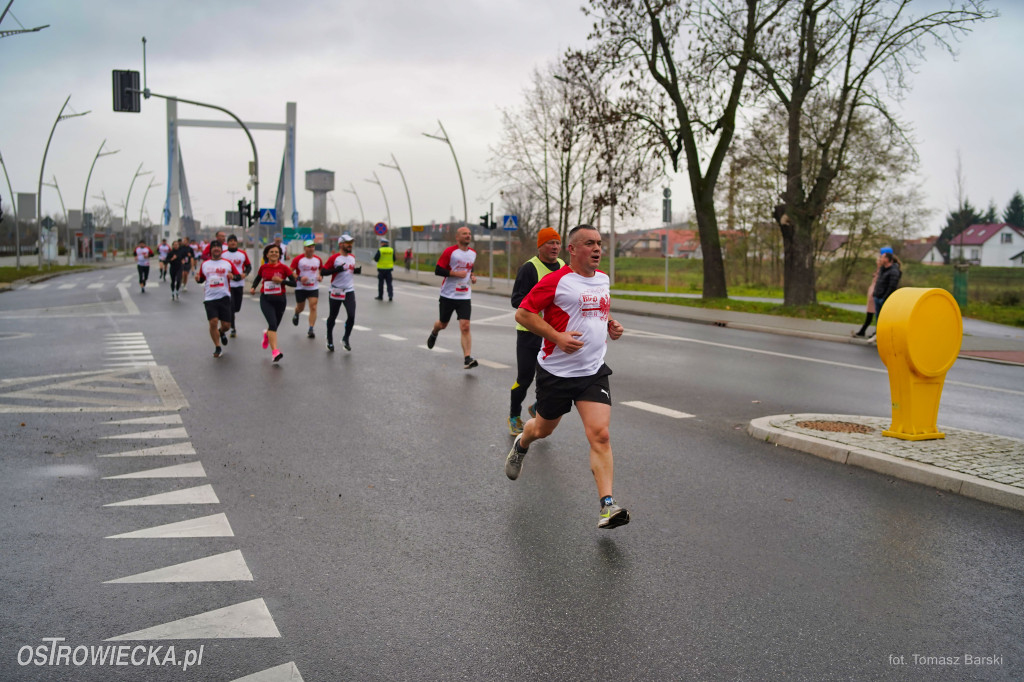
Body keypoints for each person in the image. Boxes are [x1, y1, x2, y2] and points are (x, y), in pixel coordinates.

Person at [505, 224, 629, 530]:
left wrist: (611, 324)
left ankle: (607, 506)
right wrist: (556, 336)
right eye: (589, 244)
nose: (597, 249)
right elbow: (523, 313)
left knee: (600, 434)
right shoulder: (556, 281)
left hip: (592, 371)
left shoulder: (603, 279)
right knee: (542, 430)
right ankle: (522, 443)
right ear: (572, 250)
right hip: (557, 372)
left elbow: (597, 311)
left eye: (600, 243)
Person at [507, 227, 565, 434]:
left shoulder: (563, 267)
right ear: (540, 246)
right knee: (525, 377)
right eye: (550, 243)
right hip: (529, 332)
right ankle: (514, 415)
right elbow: (516, 300)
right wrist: (539, 305)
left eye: (557, 243)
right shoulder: (529, 268)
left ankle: (537, 408)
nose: (555, 247)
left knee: (552, 376)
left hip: (552, 332)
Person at [426, 226, 478, 369]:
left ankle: (467, 358)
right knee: (443, 324)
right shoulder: (450, 252)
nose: (468, 236)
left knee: (465, 326)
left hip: (464, 295)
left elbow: (470, 268)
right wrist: (455, 274)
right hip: (448, 295)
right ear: (457, 237)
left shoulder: (473, 253)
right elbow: (438, 270)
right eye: (464, 234)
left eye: (469, 233)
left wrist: (472, 276)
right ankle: (434, 332)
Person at [194, 240, 243, 358]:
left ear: (221, 250)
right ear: (210, 250)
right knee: (213, 322)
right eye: (214, 247)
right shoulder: (205, 264)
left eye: (218, 247)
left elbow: (238, 276)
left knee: (226, 325)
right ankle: (217, 347)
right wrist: (197, 278)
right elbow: (201, 279)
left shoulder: (227, 263)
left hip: (224, 297)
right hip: (210, 297)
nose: (216, 249)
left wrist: (234, 276)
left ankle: (221, 332)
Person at [250, 243, 296, 362]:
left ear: (280, 255)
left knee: (273, 327)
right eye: (271, 252)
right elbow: (258, 278)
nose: (274, 254)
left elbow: (295, 283)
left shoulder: (284, 268)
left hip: (280, 300)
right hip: (266, 299)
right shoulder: (263, 267)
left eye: (276, 252)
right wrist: (253, 287)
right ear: (267, 255)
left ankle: (267, 335)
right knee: (273, 324)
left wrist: (281, 281)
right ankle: (275, 352)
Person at [322, 233, 361, 351]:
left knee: (351, 315)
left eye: (351, 243)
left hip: (349, 290)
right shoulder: (334, 258)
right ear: (341, 244)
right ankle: (329, 338)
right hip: (336, 290)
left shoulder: (352, 257)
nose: (350, 245)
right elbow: (323, 272)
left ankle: (345, 338)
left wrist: (356, 271)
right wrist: (335, 270)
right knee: (333, 316)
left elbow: (349, 271)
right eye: (348, 243)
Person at [221, 234, 252, 338]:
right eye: (231, 241)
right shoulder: (223, 254)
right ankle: (232, 328)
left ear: (237, 242)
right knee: (231, 306)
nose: (233, 243)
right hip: (228, 284)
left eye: (235, 241)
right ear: (228, 243)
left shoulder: (242, 254)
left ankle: (231, 319)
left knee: (237, 307)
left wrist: (245, 274)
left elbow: (249, 266)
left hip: (239, 283)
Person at [290, 239, 323, 338]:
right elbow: (290, 271)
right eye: (309, 247)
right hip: (301, 287)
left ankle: (311, 329)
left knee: (313, 306)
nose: (311, 249)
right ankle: (296, 313)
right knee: (301, 308)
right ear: (305, 248)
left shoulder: (318, 259)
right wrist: (299, 278)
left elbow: (321, 269)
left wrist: (321, 276)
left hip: (313, 287)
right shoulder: (298, 259)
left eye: (313, 247)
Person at [853, 249, 886, 338]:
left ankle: (867, 331)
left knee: (874, 314)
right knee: (872, 313)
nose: (877, 261)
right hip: (873, 293)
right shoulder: (880, 270)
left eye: (879, 259)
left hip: (875, 294)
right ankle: (865, 331)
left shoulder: (882, 270)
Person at [872, 247, 902, 317]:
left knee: (884, 317)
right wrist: (875, 294)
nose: (880, 259)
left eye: (882, 257)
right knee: (878, 317)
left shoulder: (894, 270)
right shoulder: (882, 268)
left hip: (883, 298)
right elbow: (878, 281)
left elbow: (892, 286)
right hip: (878, 296)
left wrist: (884, 297)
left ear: (887, 259)